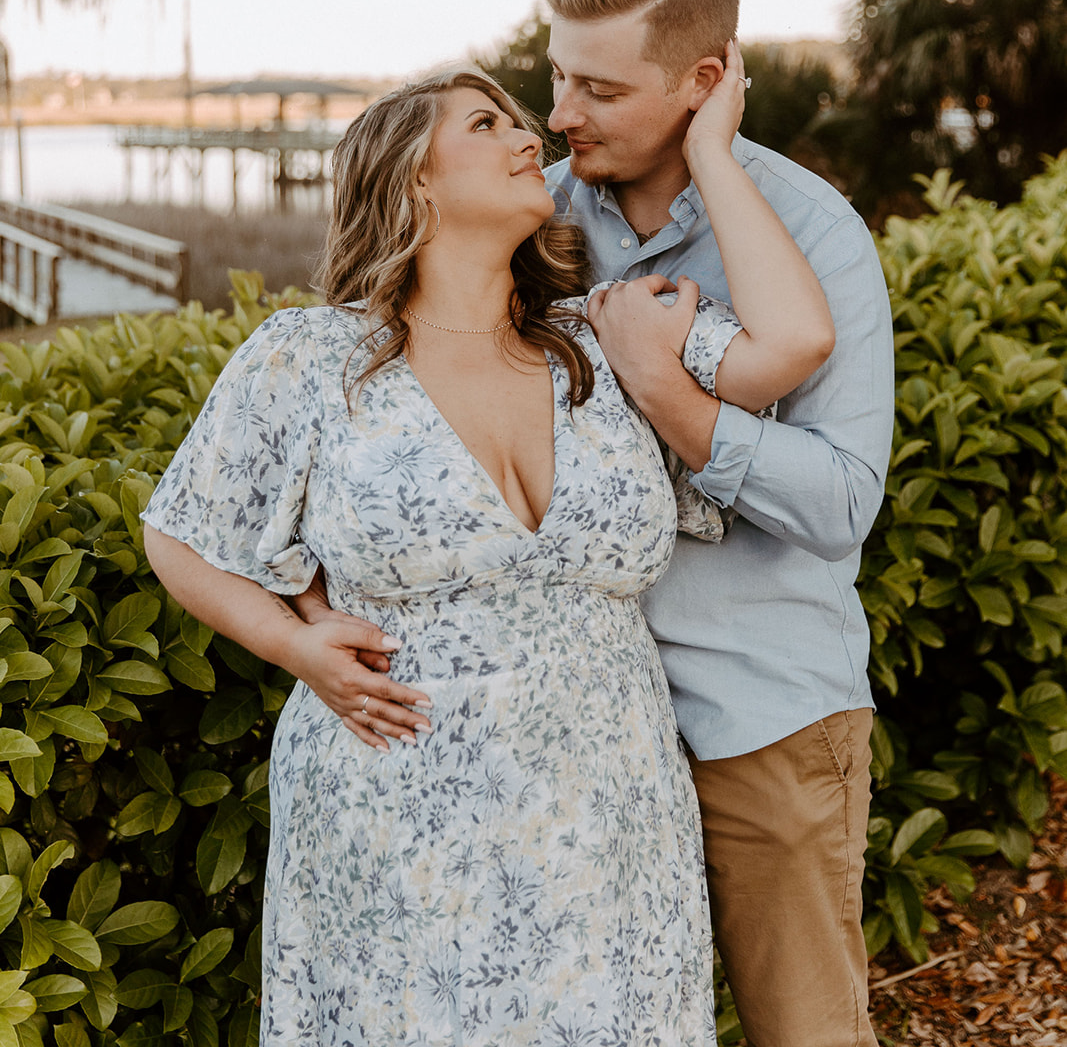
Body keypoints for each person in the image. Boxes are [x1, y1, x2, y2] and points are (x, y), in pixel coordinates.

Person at [141, 63, 834, 1047]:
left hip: (608, 805)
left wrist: (708, 154)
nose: (530, 139)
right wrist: (294, 646)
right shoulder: (308, 357)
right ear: (412, 179)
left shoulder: (604, 340)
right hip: (393, 808)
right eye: (486, 122)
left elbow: (796, 339)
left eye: (520, 122)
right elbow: (179, 528)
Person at [540, 0, 896, 1047]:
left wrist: (677, 404)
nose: (558, 114)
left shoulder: (813, 231)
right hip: (577, 728)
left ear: (704, 82)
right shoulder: (529, 219)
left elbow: (842, 501)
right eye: (554, 74)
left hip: (764, 720)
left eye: (595, 87)